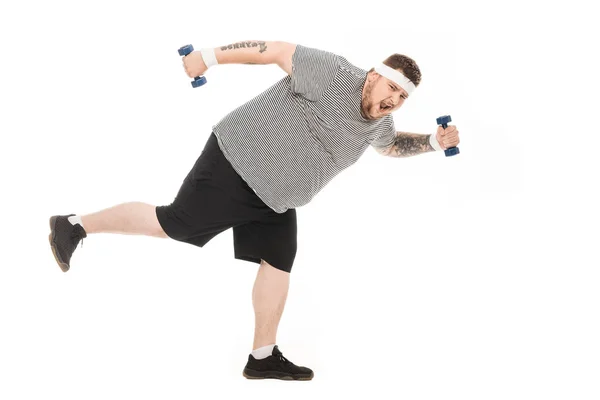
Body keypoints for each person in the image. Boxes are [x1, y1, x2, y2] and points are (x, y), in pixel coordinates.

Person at [48, 40, 460, 381]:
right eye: (390, 87)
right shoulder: (334, 72)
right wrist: (206, 57)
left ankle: (262, 356)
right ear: (373, 76)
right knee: (171, 224)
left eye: (403, 97)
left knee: (278, 263)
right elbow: (274, 50)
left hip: (276, 200)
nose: (393, 99)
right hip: (236, 163)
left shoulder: (379, 125)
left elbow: (388, 147)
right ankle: (74, 225)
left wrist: (432, 142)